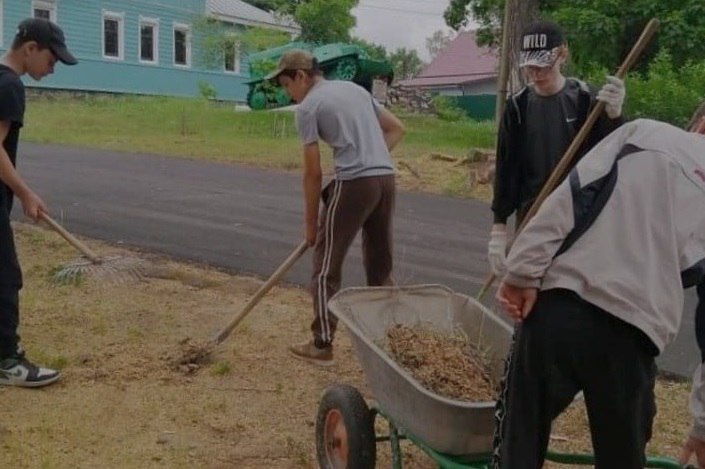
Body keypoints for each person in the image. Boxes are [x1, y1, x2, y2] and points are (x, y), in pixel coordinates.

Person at [491, 118, 705, 468]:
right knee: (622, 456)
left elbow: (571, 196)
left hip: (562, 305)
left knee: (521, 436)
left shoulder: (644, 133)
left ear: (699, 123)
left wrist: (522, 273)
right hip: (633, 335)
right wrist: (702, 425)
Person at [267, 49, 405, 366]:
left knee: (326, 266)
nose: (288, 94)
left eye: (287, 85)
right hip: (385, 179)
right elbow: (397, 128)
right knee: (379, 265)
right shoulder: (353, 88)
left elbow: (312, 173)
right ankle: (396, 341)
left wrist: (310, 225)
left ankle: (322, 343)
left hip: (355, 182)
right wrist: (371, 158)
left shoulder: (309, 107)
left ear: (301, 76)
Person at [488, 20, 626, 277]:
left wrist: (614, 115)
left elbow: (613, 151)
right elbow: (507, 168)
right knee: (528, 288)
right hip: (532, 216)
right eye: (530, 67)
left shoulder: (588, 100)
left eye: (543, 66)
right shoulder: (517, 108)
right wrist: (498, 228)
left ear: (562, 54)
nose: (536, 74)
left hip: (580, 215)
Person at [0, 18, 78, 387]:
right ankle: (7, 362)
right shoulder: (10, 86)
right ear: (29, 48)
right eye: (51, 60)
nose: (52, 68)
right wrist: (25, 192)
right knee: (5, 277)